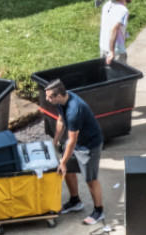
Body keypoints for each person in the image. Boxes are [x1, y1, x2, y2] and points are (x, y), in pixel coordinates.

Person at [45, 79, 106, 225]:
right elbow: (60, 121)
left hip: (89, 146)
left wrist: (63, 161)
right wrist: (54, 142)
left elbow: (72, 140)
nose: (47, 99)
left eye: (49, 97)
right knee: (68, 171)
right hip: (76, 143)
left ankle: (99, 211)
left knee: (91, 180)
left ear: (59, 95)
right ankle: (75, 201)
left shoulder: (74, 110)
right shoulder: (62, 101)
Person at [100, 0, 140, 65]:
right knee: (121, 76)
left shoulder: (107, 5)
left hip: (103, 46)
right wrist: (112, 51)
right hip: (116, 51)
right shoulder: (123, 11)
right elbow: (114, 29)